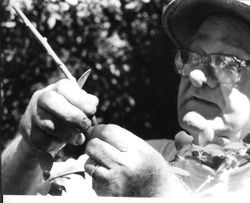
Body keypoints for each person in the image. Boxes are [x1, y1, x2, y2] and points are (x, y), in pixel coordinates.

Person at [3, 0, 250, 197]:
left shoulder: (145, 177)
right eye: (193, 56)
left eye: (227, 62)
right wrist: (30, 149)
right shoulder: (135, 165)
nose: (195, 74)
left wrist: (160, 194)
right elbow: (14, 193)